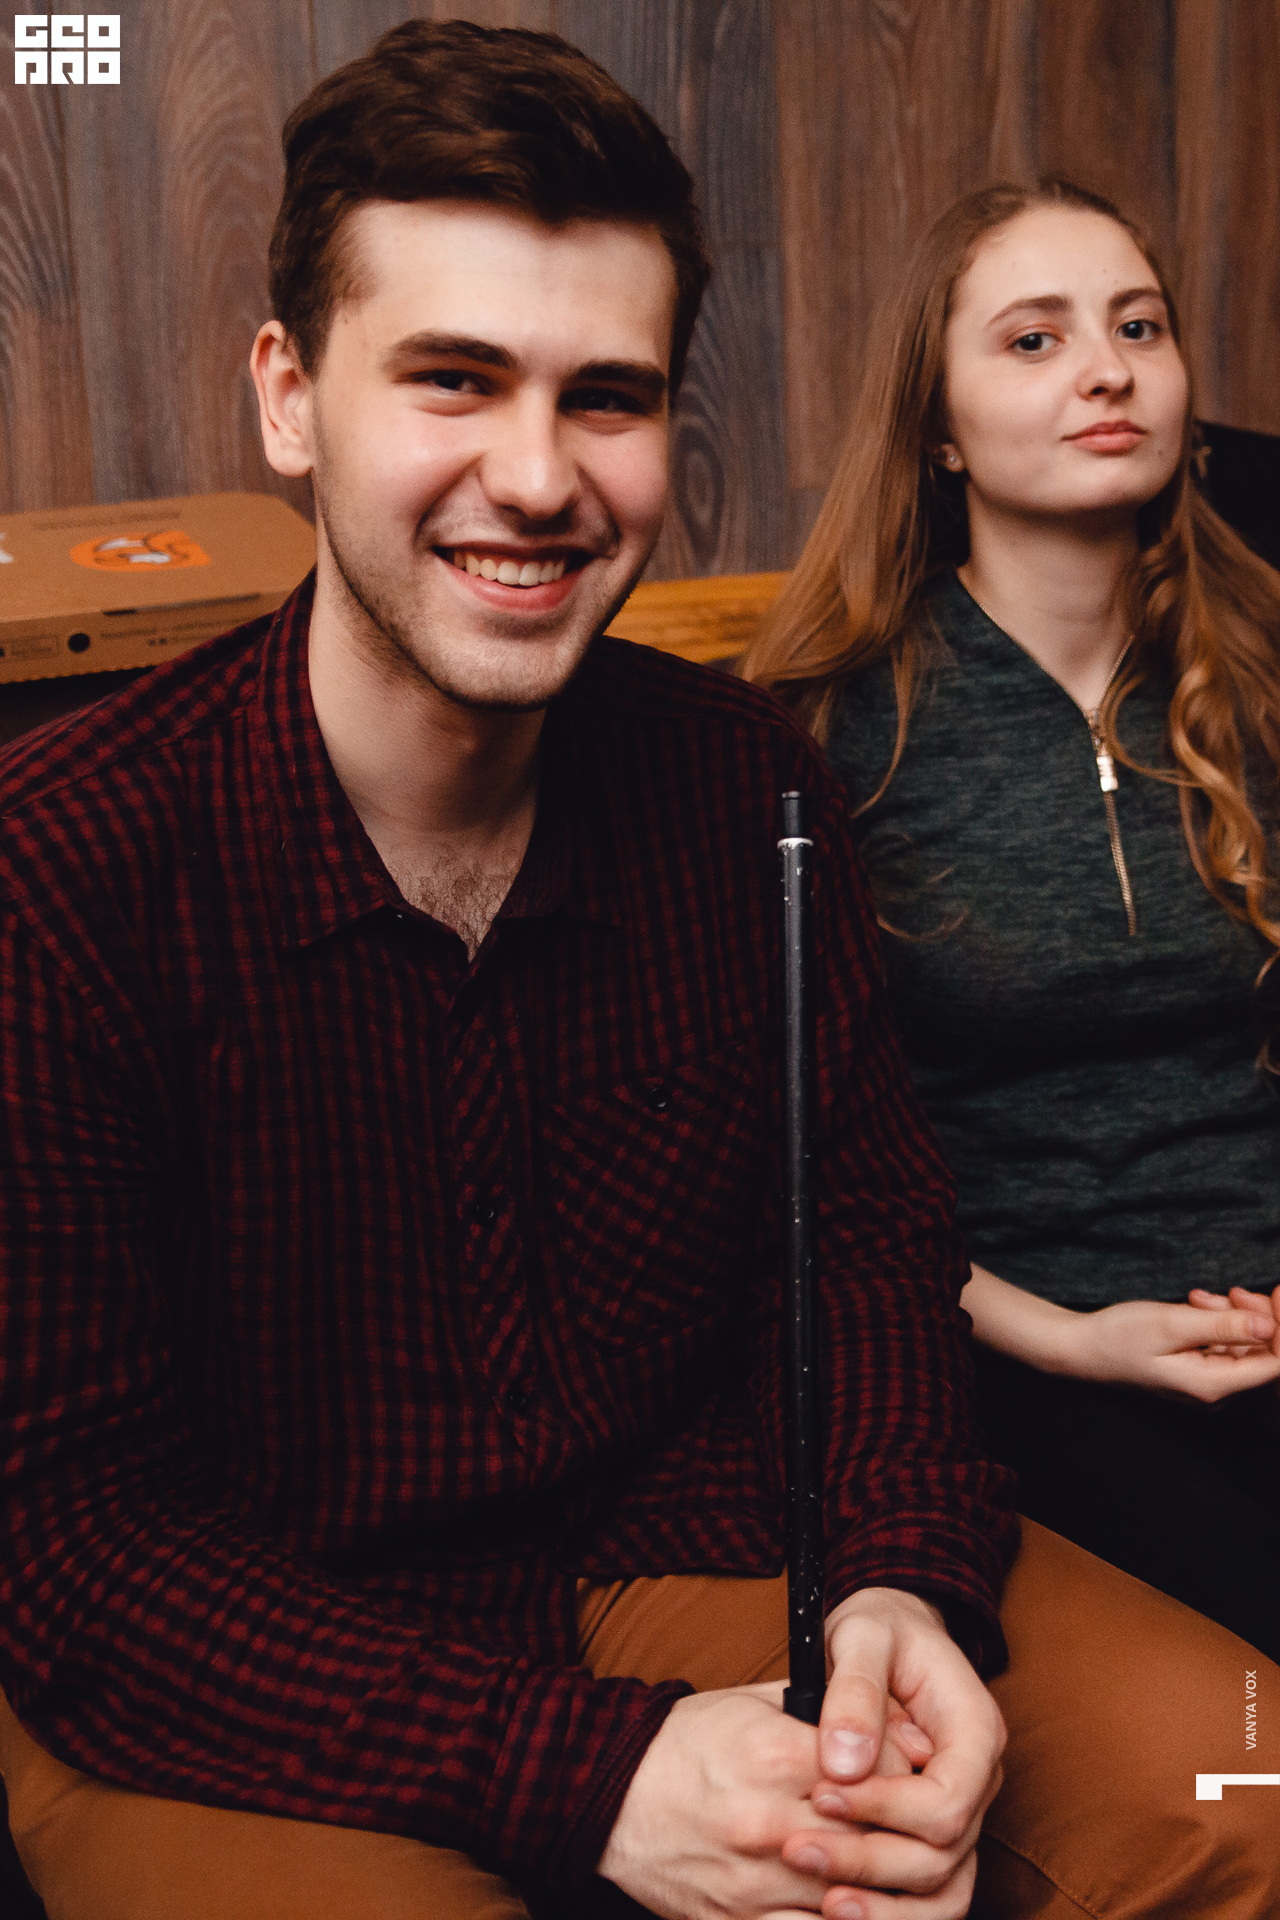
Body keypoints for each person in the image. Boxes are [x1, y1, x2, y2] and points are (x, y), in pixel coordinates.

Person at [0, 29, 1274, 1914]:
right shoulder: (54, 861)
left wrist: (901, 1576)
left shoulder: (749, 788)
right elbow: (70, 1530)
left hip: (696, 1542)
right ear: (289, 396)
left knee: (1247, 1775)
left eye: (606, 397)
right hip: (248, 1638)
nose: (536, 477)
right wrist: (591, 1774)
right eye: (453, 378)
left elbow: (862, 1251)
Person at [744, 175, 1280, 1663]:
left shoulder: (1261, 672)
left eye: (1138, 327)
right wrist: (1076, 1342)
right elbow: (788, 1177)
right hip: (1004, 1353)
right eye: (1035, 340)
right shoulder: (830, 732)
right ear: (938, 425)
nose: (1107, 370)